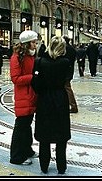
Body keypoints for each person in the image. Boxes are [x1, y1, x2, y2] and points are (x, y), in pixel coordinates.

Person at [31, 36, 73, 174]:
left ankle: (44, 166)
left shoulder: (39, 61)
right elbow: (68, 78)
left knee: (44, 134)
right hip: (60, 98)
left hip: (44, 99)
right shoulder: (66, 62)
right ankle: (61, 166)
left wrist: (42, 89)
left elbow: (35, 84)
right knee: (61, 133)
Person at [9, 30, 39, 165]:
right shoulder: (17, 57)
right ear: (26, 43)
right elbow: (15, 78)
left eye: (36, 42)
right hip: (23, 96)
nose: (35, 44)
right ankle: (16, 156)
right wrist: (33, 77)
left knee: (27, 126)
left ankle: (27, 150)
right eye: (33, 42)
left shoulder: (31, 56)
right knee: (21, 127)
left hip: (32, 94)